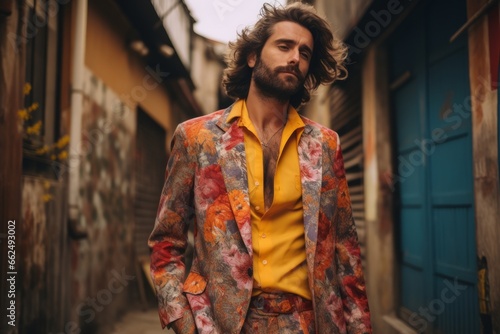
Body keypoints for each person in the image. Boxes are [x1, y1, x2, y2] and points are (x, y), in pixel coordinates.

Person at [148, 2, 371, 333]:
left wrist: (360, 327)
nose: (295, 57)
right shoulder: (197, 138)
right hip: (222, 323)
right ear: (253, 56)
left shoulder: (325, 145)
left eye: (304, 53)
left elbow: (346, 251)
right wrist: (180, 317)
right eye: (284, 46)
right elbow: (167, 241)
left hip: (309, 322)